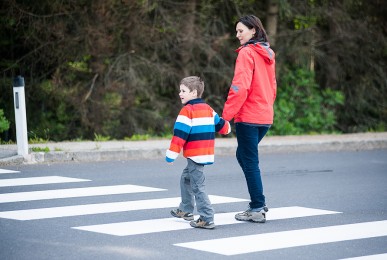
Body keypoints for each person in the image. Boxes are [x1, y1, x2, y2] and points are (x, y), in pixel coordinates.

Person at [222, 15, 277, 223]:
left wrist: (225, 117)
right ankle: (258, 201)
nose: (237, 35)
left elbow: (239, 87)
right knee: (243, 156)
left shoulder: (247, 53)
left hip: (248, 116)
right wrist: (266, 109)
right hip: (264, 116)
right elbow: (273, 87)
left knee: (250, 161)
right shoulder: (268, 53)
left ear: (253, 30)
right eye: (236, 32)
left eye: (240, 31)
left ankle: (257, 206)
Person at [166, 76, 231, 229]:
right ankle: (186, 209)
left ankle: (207, 217)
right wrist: (227, 128)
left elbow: (179, 135)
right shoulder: (208, 109)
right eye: (180, 90)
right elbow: (221, 125)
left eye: (183, 91)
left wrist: (171, 154)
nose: (180, 93)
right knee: (186, 178)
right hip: (205, 152)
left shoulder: (187, 111)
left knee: (198, 186)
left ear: (194, 92)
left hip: (195, 154)